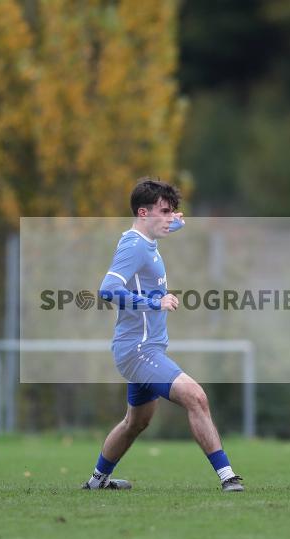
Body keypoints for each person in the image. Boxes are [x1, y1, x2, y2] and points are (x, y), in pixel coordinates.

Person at [82, 178, 244, 492]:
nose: (171, 218)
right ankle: (227, 476)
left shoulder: (145, 238)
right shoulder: (134, 246)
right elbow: (107, 290)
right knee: (197, 397)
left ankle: (96, 481)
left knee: (135, 422)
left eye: (174, 213)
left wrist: (176, 222)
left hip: (144, 348)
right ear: (143, 213)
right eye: (165, 212)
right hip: (139, 350)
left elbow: (165, 226)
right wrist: (154, 301)